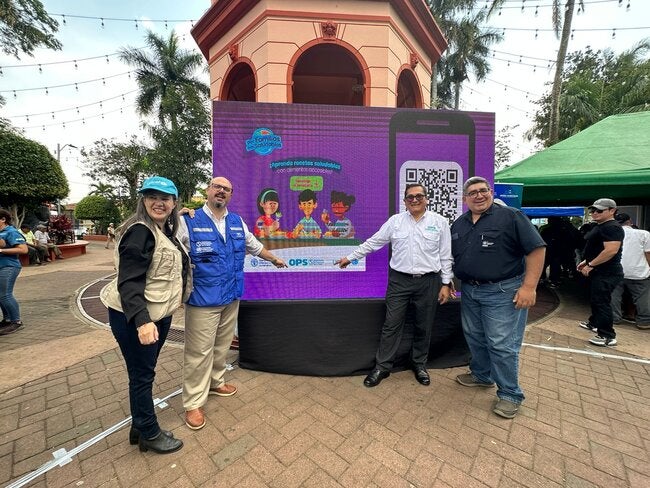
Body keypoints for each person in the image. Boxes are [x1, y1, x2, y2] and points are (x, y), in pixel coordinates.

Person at [178, 176, 287, 430]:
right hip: (203, 299)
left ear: (230, 195)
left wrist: (274, 259)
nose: (221, 191)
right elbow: (167, 246)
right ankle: (193, 402)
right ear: (208, 190)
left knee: (222, 345)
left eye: (226, 189)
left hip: (231, 295)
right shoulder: (188, 221)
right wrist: (173, 216)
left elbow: (255, 246)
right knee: (198, 352)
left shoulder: (237, 222)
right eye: (217, 187)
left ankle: (216, 382)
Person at [99, 176, 189, 454]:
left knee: (142, 373)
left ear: (174, 203)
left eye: (165, 198)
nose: (158, 203)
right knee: (142, 375)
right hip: (138, 317)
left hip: (156, 315)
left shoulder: (163, 231)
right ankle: (149, 432)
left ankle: (139, 427)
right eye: (152, 197)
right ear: (143, 201)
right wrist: (142, 321)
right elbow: (129, 281)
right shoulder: (140, 232)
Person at [336, 183, 453, 388]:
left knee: (424, 325)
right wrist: (350, 257)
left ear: (426, 199)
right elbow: (373, 242)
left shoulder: (440, 222)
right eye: (410, 197)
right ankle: (382, 367)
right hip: (400, 281)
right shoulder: (395, 222)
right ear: (405, 201)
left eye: (419, 196)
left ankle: (419, 364)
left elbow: (445, 255)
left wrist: (445, 283)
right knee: (391, 324)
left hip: (429, 281)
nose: (414, 200)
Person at [451, 177, 545, 419]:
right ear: (465, 199)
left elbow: (536, 249)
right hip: (470, 290)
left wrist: (529, 287)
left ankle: (510, 394)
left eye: (483, 190)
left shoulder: (511, 216)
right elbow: (454, 256)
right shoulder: (459, 223)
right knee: (475, 336)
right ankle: (482, 375)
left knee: (502, 344)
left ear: (491, 192)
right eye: (472, 192)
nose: (479, 195)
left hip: (503, 291)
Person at [577, 198, 624, 347]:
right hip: (600, 270)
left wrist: (591, 264)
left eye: (599, 210)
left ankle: (607, 335)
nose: (595, 213)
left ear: (612, 211)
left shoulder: (612, 227)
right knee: (596, 299)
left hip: (607, 272)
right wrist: (587, 261)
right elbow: (597, 248)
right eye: (593, 210)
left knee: (602, 302)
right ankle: (594, 323)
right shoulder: (601, 226)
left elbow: (610, 251)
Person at [611, 213, 650, 329]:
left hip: (616, 269)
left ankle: (614, 318)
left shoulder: (612, 233)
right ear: (630, 221)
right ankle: (644, 321)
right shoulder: (644, 234)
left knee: (614, 295)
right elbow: (648, 253)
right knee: (642, 297)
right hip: (638, 271)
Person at [0, 210, 29, 336]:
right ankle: (7, 320)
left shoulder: (11, 232)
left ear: (3, 219)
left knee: (5, 295)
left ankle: (16, 322)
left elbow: (23, 249)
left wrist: (2, 250)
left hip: (9, 266)